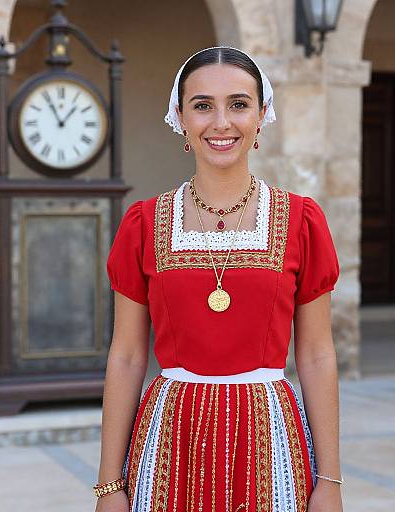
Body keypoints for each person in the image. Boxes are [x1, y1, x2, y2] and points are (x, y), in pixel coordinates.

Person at [94, 46, 343, 512]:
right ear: (181, 118)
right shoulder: (145, 224)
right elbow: (127, 356)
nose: (221, 122)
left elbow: (316, 353)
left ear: (262, 115)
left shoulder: (300, 221)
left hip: (270, 438)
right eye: (203, 105)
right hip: (170, 440)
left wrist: (330, 480)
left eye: (239, 104)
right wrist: (110, 485)